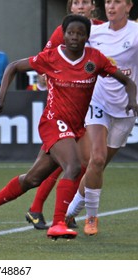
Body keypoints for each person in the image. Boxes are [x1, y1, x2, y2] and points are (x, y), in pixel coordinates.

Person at [0, 14, 137, 240]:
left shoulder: (95, 59)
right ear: (63, 34)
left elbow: (127, 82)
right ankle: (59, 222)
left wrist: (132, 99)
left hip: (75, 127)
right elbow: (12, 67)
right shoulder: (51, 57)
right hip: (53, 121)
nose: (74, 37)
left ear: (87, 37)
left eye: (80, 34)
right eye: (70, 33)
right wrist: (0, 99)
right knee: (73, 165)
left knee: (32, 179)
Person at [26, 0, 105, 230]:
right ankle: (49, 211)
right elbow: (45, 61)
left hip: (92, 101)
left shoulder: (100, 30)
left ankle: (55, 211)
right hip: (65, 103)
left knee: (71, 162)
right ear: (71, 8)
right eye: (76, 3)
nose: (80, 6)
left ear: (93, 7)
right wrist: (47, 78)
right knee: (68, 162)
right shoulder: (64, 32)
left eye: (85, 2)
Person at [66, 0, 138, 235]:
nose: (111, 6)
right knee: (96, 159)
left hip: (126, 108)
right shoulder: (94, 32)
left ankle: (70, 212)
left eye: (117, 2)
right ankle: (91, 218)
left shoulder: (135, 33)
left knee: (99, 165)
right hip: (98, 103)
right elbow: (68, 48)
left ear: (128, 7)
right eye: (108, 2)